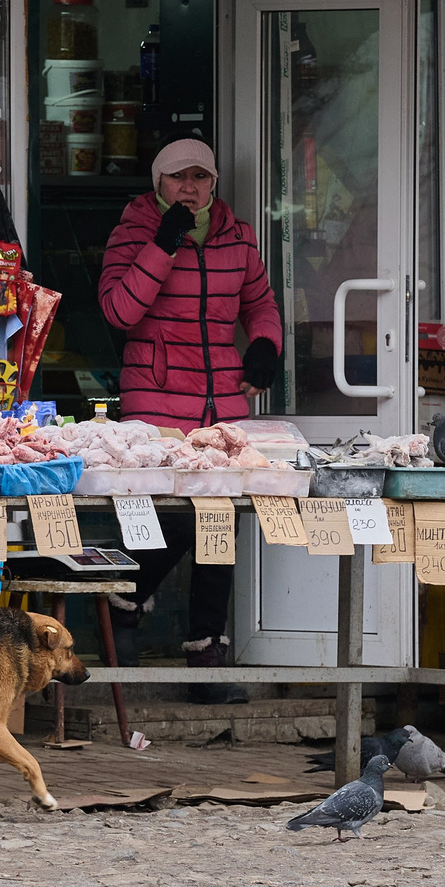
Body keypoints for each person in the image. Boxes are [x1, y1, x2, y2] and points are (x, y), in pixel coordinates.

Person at [95, 137, 284, 704]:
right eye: (179, 178)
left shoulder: (237, 234)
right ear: (158, 184)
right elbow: (119, 311)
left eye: (200, 178)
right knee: (175, 521)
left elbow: (259, 302)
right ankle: (124, 603)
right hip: (155, 398)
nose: (190, 188)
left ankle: (207, 653)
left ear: (214, 184)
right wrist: (162, 246)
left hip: (220, 402)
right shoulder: (133, 231)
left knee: (219, 526)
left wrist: (266, 347)